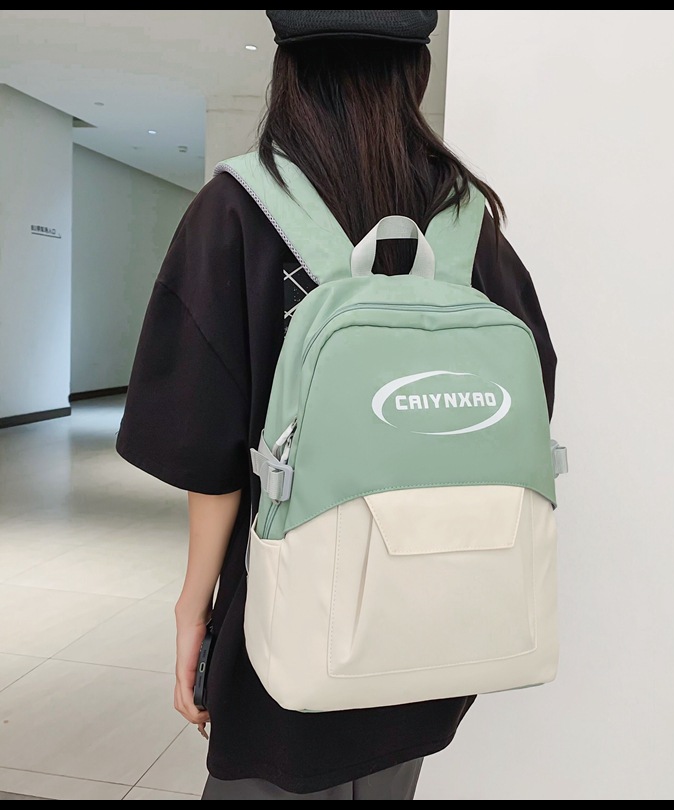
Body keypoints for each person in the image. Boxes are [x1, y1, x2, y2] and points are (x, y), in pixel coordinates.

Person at [116, 9, 557, 801]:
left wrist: (194, 608)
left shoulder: (238, 209)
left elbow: (206, 448)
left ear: (288, 70)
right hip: (437, 625)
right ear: (415, 72)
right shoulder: (467, 225)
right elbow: (531, 396)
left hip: (288, 623)